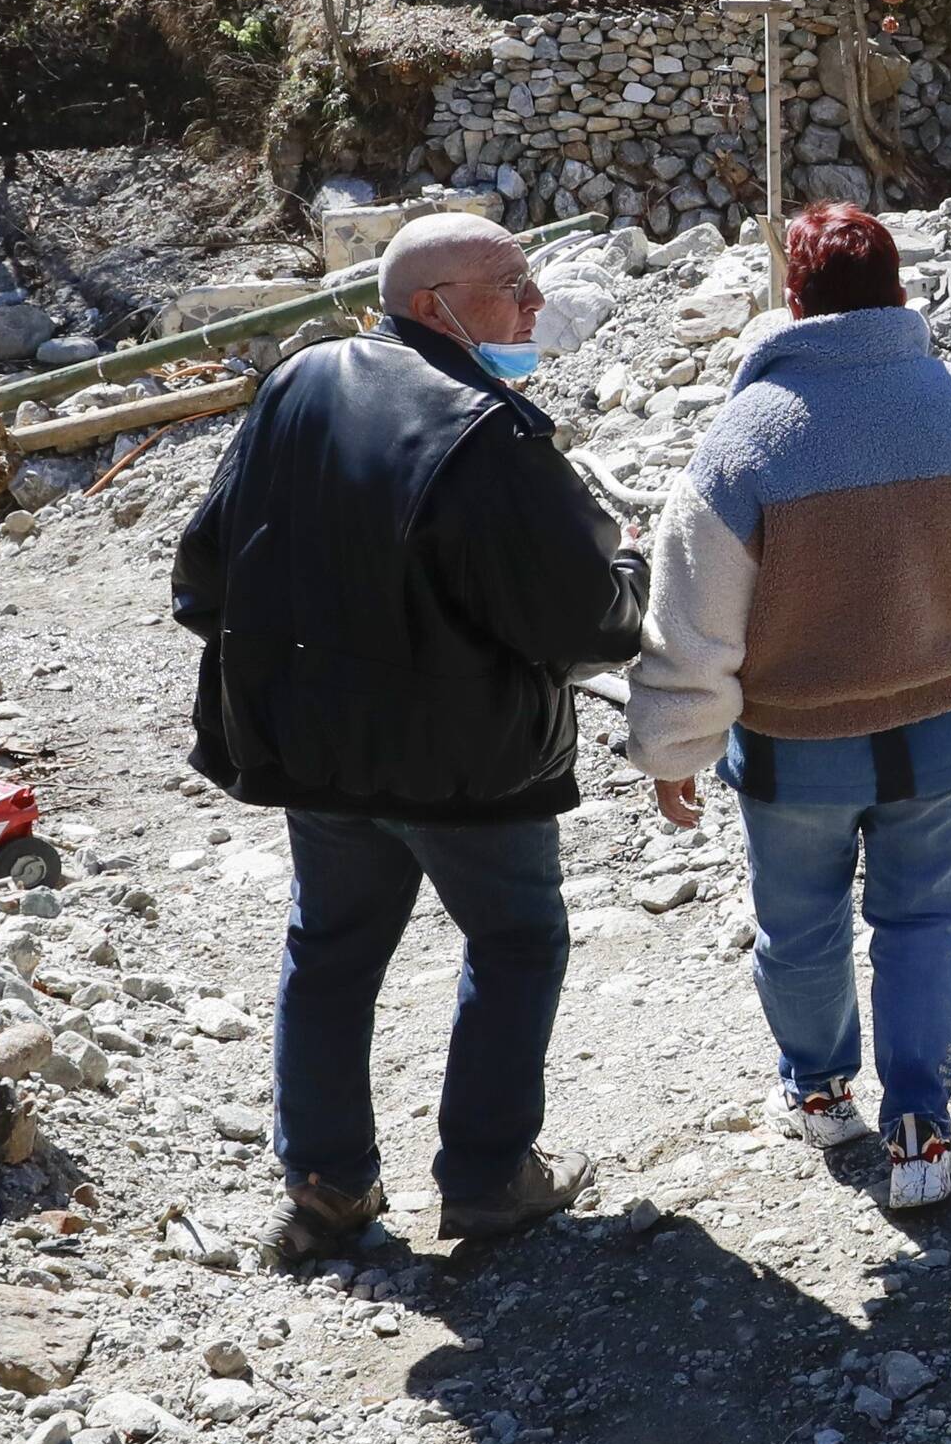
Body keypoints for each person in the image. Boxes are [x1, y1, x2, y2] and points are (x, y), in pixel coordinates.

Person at [173, 210, 643, 1263]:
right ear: (434, 306)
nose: (532, 304)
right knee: (517, 944)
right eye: (512, 285)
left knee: (329, 949)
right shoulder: (487, 430)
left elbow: (204, 569)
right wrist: (633, 576)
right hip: (467, 769)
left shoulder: (298, 384)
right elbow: (584, 625)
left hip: (311, 749)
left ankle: (326, 1185)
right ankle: (485, 1180)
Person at [629, 202, 951, 1211]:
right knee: (923, 921)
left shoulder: (743, 445)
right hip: (948, 732)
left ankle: (823, 1091)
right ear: (899, 292)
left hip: (797, 752)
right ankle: (920, 1131)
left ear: (794, 299)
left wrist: (675, 746)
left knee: (797, 928)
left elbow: (692, 621)